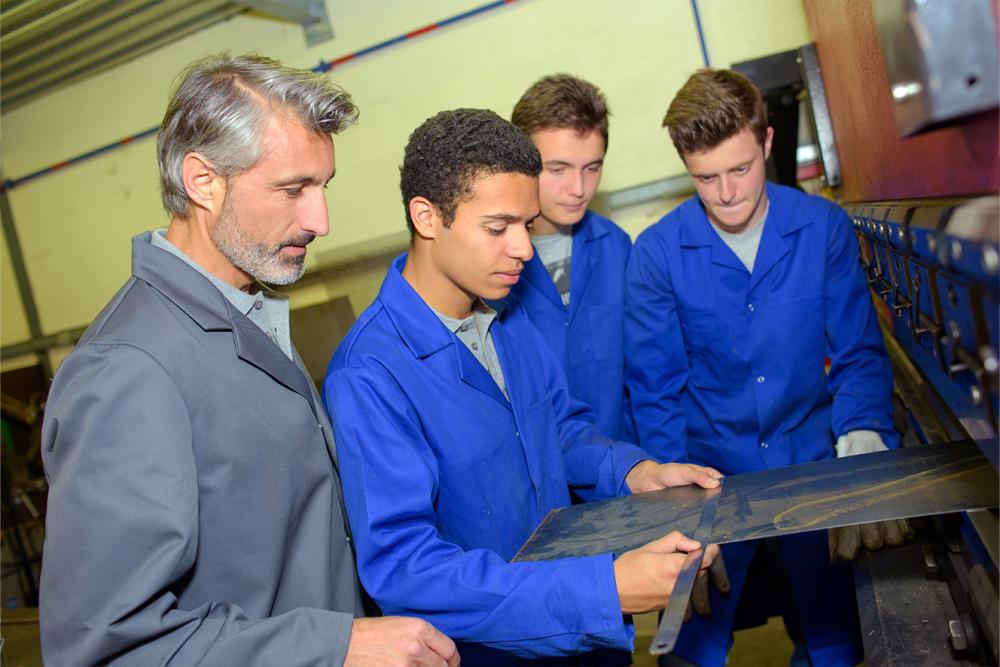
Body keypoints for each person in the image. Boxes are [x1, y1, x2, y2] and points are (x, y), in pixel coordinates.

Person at [38, 53, 458, 667]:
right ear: (203, 180)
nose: (320, 221)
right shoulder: (128, 369)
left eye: (323, 187)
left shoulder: (248, 311)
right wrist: (335, 646)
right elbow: (102, 646)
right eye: (292, 189)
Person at [323, 108, 722, 665]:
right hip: (495, 650)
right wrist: (601, 591)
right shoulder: (370, 374)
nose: (524, 250)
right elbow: (405, 568)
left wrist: (635, 472)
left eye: (527, 225)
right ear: (427, 217)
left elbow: (560, 428)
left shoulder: (505, 316)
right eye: (497, 228)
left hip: (584, 635)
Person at [625, 68, 910, 667]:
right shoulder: (655, 255)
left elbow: (858, 353)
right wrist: (672, 513)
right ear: (684, 165)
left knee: (837, 642)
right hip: (712, 480)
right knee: (689, 650)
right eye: (705, 177)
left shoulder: (823, 228)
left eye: (741, 168)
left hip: (812, 466)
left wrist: (862, 445)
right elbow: (656, 392)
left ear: (768, 143)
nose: (727, 192)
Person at [509, 74, 635, 441]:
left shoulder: (616, 247)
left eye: (592, 168)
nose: (578, 189)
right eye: (558, 169)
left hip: (623, 470)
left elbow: (644, 377)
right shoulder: (493, 264)